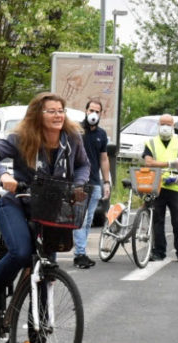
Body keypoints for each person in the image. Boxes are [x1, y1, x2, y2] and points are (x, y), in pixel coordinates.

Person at [0, 92, 90, 317]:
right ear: (38, 114)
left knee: (46, 270)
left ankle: (38, 338)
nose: (58, 115)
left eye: (61, 111)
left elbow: (83, 165)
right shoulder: (22, 137)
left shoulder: (72, 138)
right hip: (18, 204)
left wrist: (78, 185)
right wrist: (3, 174)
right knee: (21, 253)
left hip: (51, 210)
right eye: (52, 111)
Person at [143, 114, 178, 262]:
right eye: (162, 124)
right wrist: (169, 163)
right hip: (157, 186)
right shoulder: (151, 143)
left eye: (168, 124)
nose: (165, 127)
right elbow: (148, 162)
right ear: (158, 125)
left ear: (173, 126)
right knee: (157, 220)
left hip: (175, 187)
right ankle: (159, 251)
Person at [73, 99, 111, 269]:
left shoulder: (102, 135)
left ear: (101, 114)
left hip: (95, 182)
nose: (93, 114)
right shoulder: (76, 130)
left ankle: (80, 251)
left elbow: (104, 158)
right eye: (91, 110)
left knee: (88, 220)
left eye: (97, 111)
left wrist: (107, 182)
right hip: (79, 182)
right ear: (86, 110)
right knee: (79, 218)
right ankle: (80, 253)